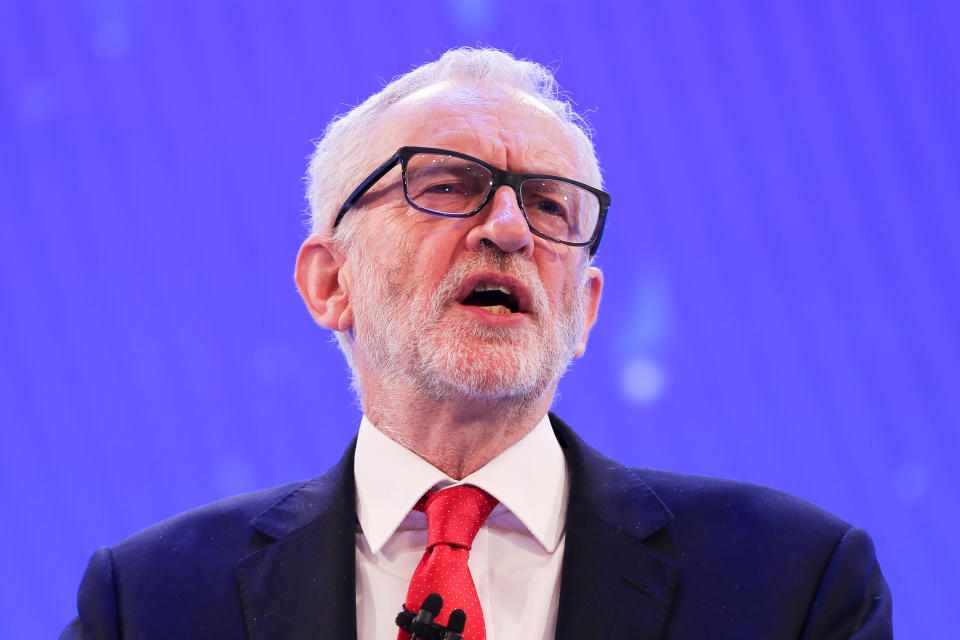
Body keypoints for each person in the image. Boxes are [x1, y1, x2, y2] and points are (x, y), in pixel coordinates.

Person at [61, 48, 892, 639]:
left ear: (586, 311)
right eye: (447, 186)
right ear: (329, 284)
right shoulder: (152, 602)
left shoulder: (793, 583)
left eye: (550, 205)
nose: (507, 229)